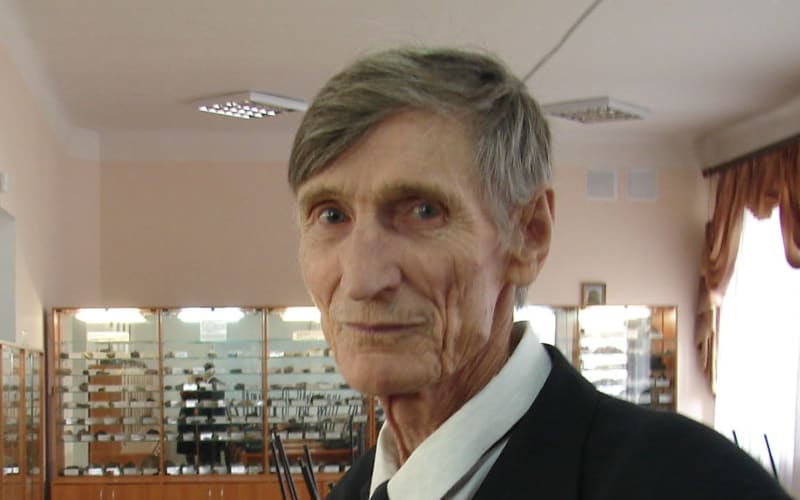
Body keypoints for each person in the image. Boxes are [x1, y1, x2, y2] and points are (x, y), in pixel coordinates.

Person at [287, 47, 790, 499]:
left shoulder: (696, 484)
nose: (361, 279)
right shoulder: (356, 491)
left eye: (423, 211)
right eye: (331, 215)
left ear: (528, 235)